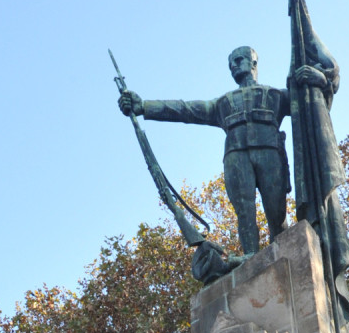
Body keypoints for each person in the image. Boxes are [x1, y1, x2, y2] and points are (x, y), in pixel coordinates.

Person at [120, 46, 327, 257]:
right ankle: (251, 257)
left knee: (276, 212)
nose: (233, 66)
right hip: (236, 157)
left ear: (253, 63)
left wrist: (319, 79)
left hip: (270, 153)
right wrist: (144, 106)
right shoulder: (224, 103)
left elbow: (312, 102)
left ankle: (284, 254)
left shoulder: (276, 95)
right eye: (230, 64)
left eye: (238, 60)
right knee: (245, 212)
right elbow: (185, 109)